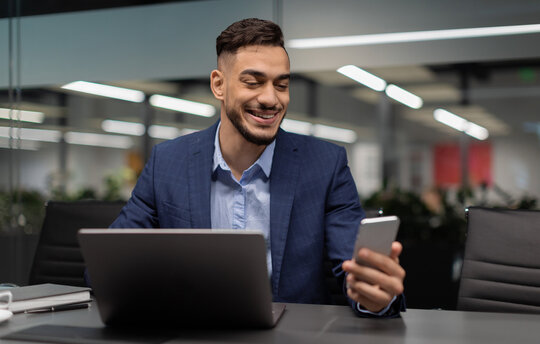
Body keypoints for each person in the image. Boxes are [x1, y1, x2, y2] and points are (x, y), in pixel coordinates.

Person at [111, 18, 405, 317]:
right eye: (252, 82)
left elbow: (355, 271)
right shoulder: (168, 162)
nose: (270, 98)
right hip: (191, 337)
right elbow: (107, 265)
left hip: (291, 343)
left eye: (281, 85)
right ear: (219, 85)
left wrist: (375, 296)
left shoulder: (325, 165)